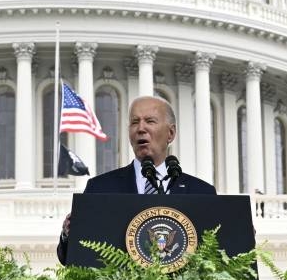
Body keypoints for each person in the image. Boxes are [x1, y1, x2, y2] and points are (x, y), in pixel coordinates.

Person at [56, 95, 216, 264]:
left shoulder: (201, 192)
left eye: (150, 121)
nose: (140, 128)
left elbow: (216, 257)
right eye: (134, 122)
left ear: (171, 133)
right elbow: (73, 256)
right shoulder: (100, 188)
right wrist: (69, 233)